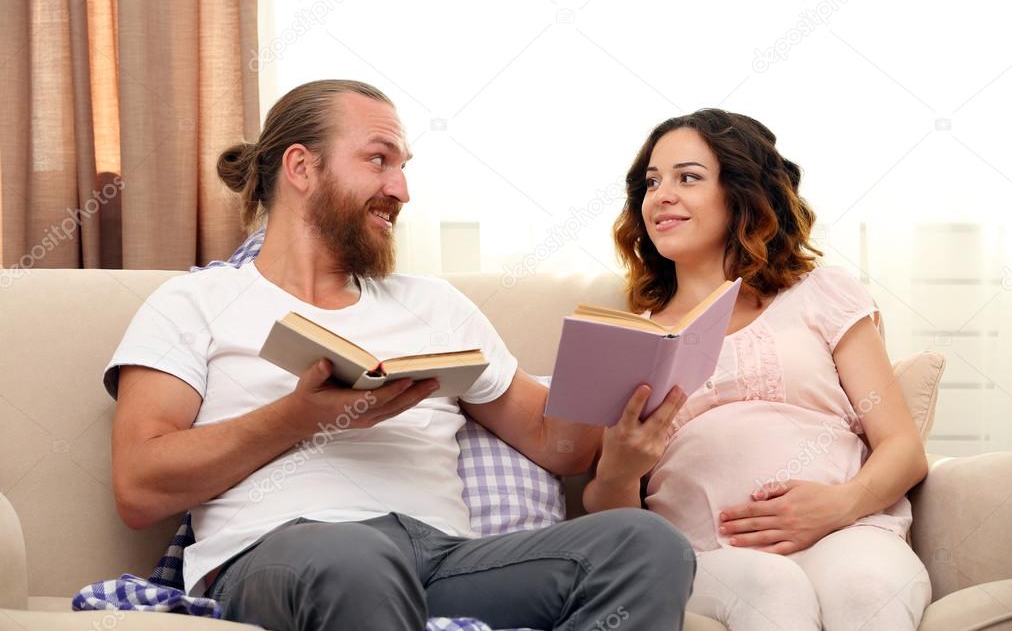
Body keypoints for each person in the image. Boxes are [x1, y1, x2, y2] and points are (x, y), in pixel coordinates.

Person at [104, 79, 695, 631]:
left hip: (442, 561)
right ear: (302, 167)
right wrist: (300, 416)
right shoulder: (195, 301)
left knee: (646, 544)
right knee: (352, 554)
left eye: (403, 168)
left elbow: (555, 445)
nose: (401, 191)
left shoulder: (435, 305)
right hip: (284, 552)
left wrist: (608, 381)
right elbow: (140, 487)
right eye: (379, 160)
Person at [583, 109, 932, 631]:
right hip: (706, 557)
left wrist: (840, 505)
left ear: (742, 192)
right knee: (774, 589)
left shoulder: (821, 294)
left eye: (688, 177)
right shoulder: (632, 340)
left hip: (848, 530)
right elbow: (611, 513)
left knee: (868, 590)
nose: (661, 195)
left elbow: (903, 446)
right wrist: (619, 469)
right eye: (651, 183)